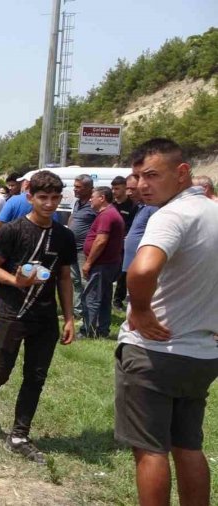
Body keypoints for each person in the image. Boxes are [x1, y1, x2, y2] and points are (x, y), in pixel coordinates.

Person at [114, 138, 218, 506]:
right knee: (188, 446)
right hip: (203, 355)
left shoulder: (171, 215)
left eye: (153, 175)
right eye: (138, 176)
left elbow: (142, 270)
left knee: (150, 451)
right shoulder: (213, 211)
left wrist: (140, 310)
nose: (142, 185)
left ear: (183, 173)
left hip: (156, 352)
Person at [0, 170, 76, 463]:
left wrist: (68, 317)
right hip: (12, 313)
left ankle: (19, 434)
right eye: (43, 197)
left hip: (45, 319)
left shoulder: (64, 236)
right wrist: (15, 281)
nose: (49, 204)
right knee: (1, 370)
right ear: (29, 197)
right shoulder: (12, 230)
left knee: (36, 376)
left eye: (55, 198)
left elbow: (65, 278)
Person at [80, 187, 125, 338]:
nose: (91, 199)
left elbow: (100, 241)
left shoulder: (107, 215)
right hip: (108, 264)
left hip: (101, 264)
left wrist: (88, 263)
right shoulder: (110, 213)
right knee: (104, 298)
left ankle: (87, 331)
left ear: (102, 198)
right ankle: (102, 330)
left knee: (91, 298)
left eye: (93, 197)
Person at [121, 174, 157, 297]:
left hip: (141, 264)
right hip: (132, 264)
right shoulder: (140, 207)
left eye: (133, 189)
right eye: (127, 189)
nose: (129, 193)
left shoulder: (153, 208)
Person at [68, 175, 96, 316]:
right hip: (72, 248)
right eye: (75, 186)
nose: (75, 189)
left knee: (86, 282)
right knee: (75, 281)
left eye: (78, 187)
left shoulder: (94, 204)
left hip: (84, 251)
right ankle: (78, 311)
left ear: (89, 189)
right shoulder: (78, 203)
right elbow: (72, 217)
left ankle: (88, 314)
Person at [110, 176, 135, 310]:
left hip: (125, 244)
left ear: (125, 189)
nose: (114, 191)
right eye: (113, 188)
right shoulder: (111, 204)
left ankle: (118, 300)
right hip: (111, 243)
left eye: (117, 189)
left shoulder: (132, 206)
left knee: (123, 273)